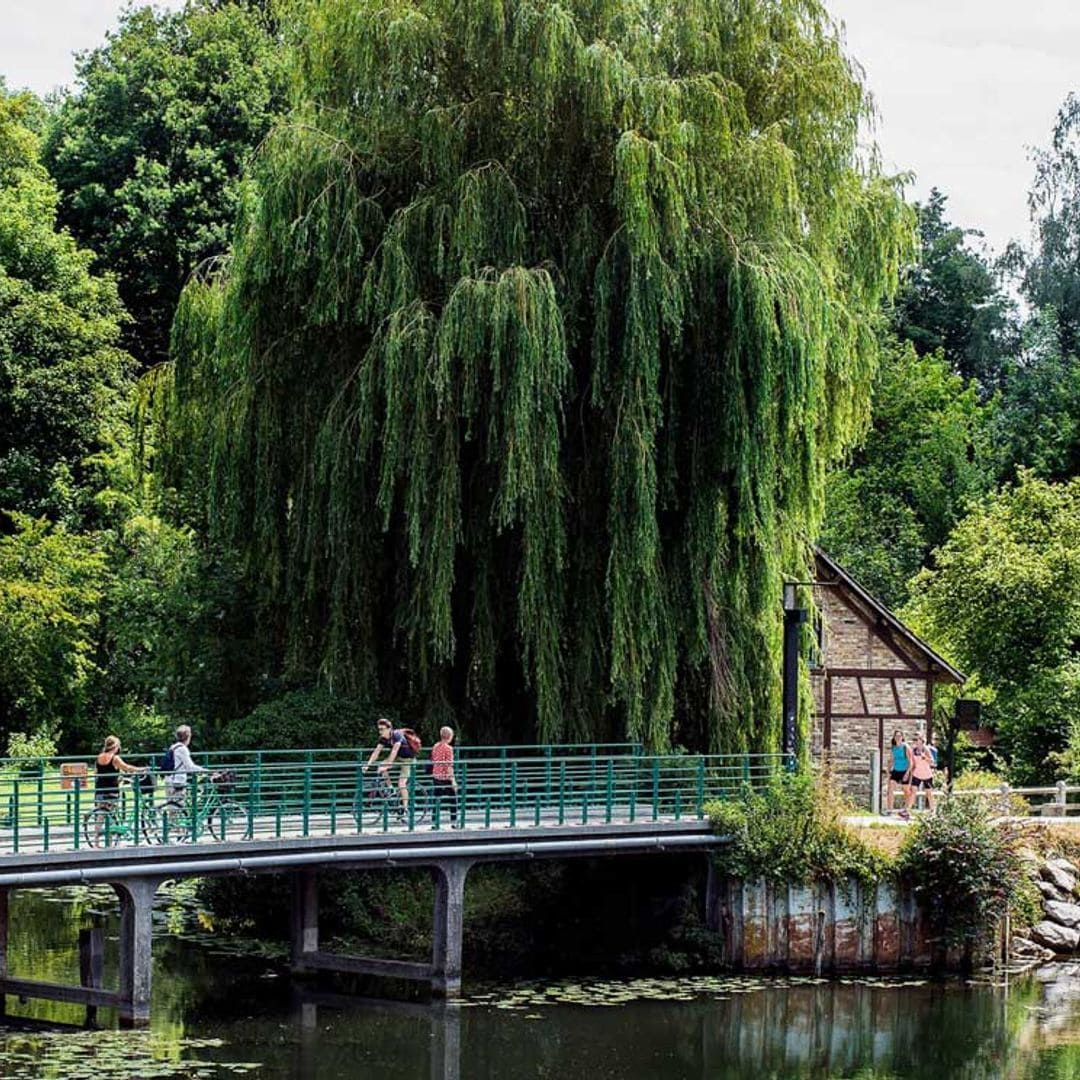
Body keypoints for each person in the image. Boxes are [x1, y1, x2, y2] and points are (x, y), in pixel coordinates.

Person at [93, 735, 149, 841]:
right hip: (111, 790)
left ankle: (97, 840)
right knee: (108, 815)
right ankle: (107, 841)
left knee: (101, 815)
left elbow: (97, 772)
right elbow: (126, 767)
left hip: (100, 789)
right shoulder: (115, 758)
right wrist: (140, 769)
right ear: (116, 746)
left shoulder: (99, 757)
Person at [364, 718, 417, 814]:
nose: (380, 731)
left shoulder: (397, 735)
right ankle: (391, 789)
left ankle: (405, 808)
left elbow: (394, 750)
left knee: (401, 783)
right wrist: (368, 765)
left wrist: (388, 765)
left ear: (389, 729)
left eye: (382, 729)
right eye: (379, 729)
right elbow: (376, 752)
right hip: (398, 757)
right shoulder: (383, 738)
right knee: (381, 766)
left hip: (408, 759)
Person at [163, 724, 211, 806]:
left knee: (172, 806)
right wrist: (207, 771)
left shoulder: (173, 747)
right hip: (177, 782)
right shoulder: (182, 749)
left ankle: (169, 817)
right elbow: (190, 767)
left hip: (169, 779)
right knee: (177, 807)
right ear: (188, 737)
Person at [429, 726, 460, 828]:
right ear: (450, 736)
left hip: (436, 776)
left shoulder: (435, 746)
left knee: (437, 799)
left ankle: (434, 822)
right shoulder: (449, 749)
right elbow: (449, 766)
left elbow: (433, 760)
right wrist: (453, 780)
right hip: (446, 778)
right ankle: (454, 822)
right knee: (453, 799)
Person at [906, 733, 936, 814]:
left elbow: (932, 761)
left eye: (917, 739)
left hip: (927, 774)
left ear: (921, 740)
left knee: (929, 793)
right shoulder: (914, 750)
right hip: (917, 774)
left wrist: (925, 758)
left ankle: (933, 810)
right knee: (913, 792)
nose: (915, 741)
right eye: (914, 740)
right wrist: (909, 773)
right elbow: (912, 763)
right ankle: (908, 810)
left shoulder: (926, 749)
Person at [885, 730, 911, 817]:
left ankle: (906, 809)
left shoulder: (905, 747)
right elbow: (891, 760)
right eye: (896, 736)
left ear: (902, 737)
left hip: (904, 770)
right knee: (890, 789)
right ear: (894, 737)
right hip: (896, 770)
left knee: (906, 791)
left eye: (899, 736)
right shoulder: (894, 748)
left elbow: (910, 761)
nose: (898, 738)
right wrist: (888, 770)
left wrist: (907, 772)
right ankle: (889, 809)